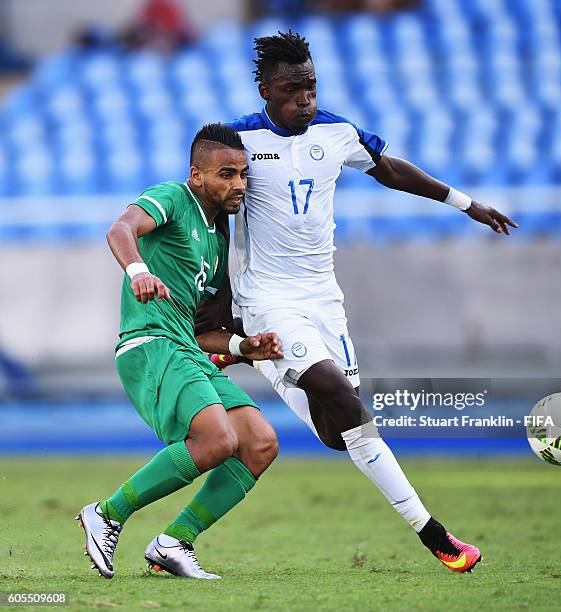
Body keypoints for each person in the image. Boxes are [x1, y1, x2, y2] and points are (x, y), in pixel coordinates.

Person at [206, 31, 518, 574]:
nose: (305, 99)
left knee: (339, 430)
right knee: (340, 399)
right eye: (292, 90)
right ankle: (436, 535)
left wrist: (466, 204)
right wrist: (221, 305)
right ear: (265, 90)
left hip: (325, 299)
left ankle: (264, 363)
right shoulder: (239, 142)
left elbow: (391, 170)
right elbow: (212, 209)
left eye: (311, 87)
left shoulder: (338, 130)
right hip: (269, 299)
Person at [76, 123, 282, 580]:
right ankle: (107, 513)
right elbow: (121, 228)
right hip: (150, 343)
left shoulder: (214, 238)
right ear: (197, 176)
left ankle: (174, 542)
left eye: (243, 175)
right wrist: (137, 271)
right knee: (217, 440)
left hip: (185, 347)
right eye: (226, 174)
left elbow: (203, 330)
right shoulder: (172, 197)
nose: (238, 185)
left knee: (260, 443)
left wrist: (242, 347)